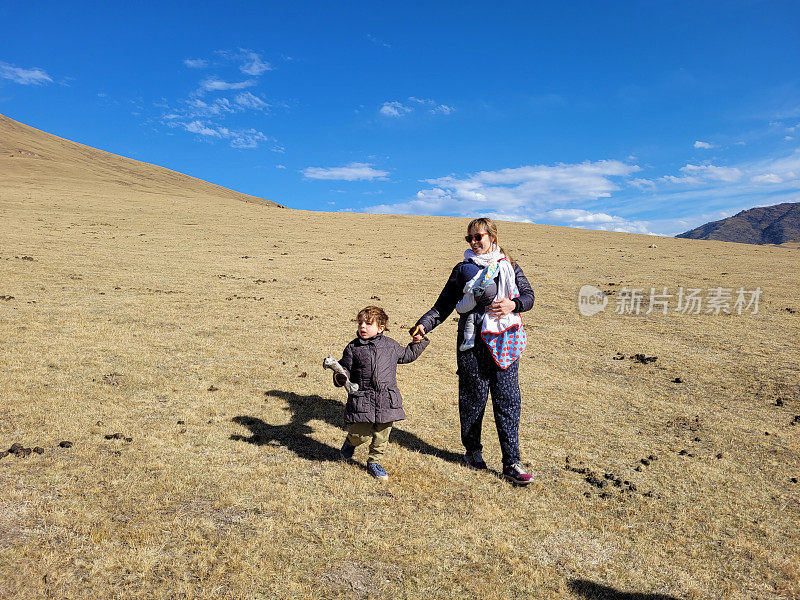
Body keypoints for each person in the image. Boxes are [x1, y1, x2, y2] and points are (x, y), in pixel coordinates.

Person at [412, 218, 534, 485]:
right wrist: (423, 325)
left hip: (504, 341)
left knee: (508, 401)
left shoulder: (509, 266)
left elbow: (528, 297)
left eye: (478, 237)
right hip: (471, 343)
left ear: (492, 237)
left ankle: (511, 462)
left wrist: (512, 305)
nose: (474, 242)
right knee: (472, 400)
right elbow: (443, 305)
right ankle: (473, 452)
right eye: (469, 238)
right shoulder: (463, 269)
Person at [333, 306, 429, 481]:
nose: (363, 326)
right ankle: (350, 443)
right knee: (359, 435)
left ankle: (374, 462)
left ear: (381, 327)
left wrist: (418, 343)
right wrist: (340, 376)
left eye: (368, 323)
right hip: (363, 399)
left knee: (382, 435)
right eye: (360, 323)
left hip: (387, 399)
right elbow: (344, 367)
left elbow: (406, 355)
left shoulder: (390, 345)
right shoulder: (353, 348)